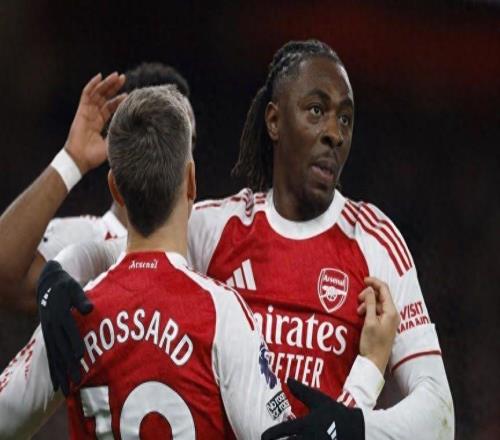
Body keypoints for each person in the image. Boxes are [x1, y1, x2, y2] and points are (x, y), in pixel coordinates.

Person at [4, 39, 454, 439]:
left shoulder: (374, 240)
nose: (335, 133)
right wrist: (60, 275)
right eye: (317, 110)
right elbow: (126, 255)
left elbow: (438, 411)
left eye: (346, 118)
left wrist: (356, 427)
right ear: (274, 120)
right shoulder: (218, 227)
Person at [0, 62, 196, 314]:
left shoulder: (206, 245)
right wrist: (71, 160)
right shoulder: (81, 243)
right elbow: (4, 275)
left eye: (185, 141)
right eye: (161, 138)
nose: (175, 154)